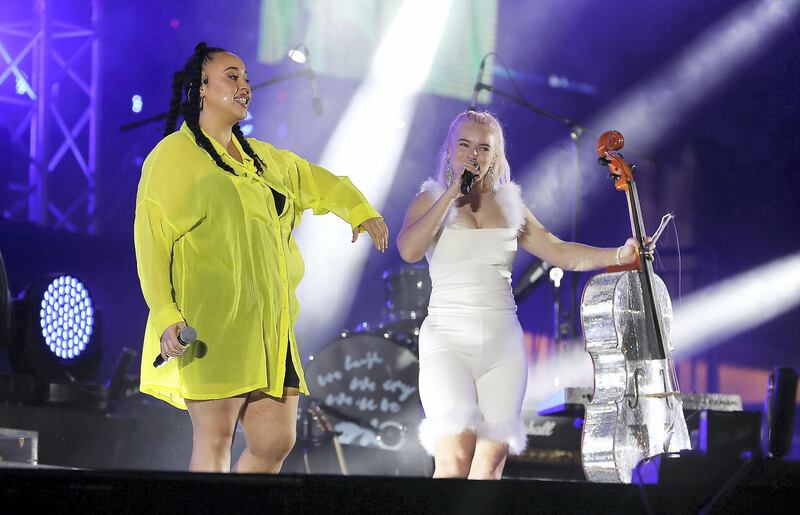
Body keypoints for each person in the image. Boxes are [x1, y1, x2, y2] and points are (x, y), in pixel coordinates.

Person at [134, 42, 389, 473]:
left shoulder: (264, 158)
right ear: (201, 87)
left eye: (247, 78)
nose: (245, 86)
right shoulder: (173, 157)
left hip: (270, 328)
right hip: (214, 322)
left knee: (275, 441)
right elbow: (151, 242)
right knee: (216, 437)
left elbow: (316, 179)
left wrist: (358, 208)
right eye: (232, 76)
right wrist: (165, 314)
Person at [396, 111, 637, 479]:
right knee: (455, 455)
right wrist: (450, 194)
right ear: (449, 150)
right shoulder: (429, 199)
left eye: (483, 147)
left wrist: (619, 255)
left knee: (490, 463)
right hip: (447, 339)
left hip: (502, 344)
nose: (473, 154)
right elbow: (409, 250)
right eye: (464, 144)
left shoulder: (509, 205)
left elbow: (559, 250)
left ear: (495, 156)